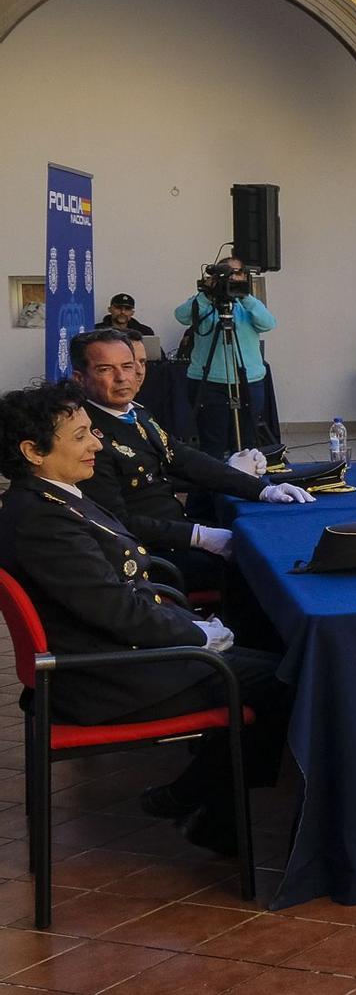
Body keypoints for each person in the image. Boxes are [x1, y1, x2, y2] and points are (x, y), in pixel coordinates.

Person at [0, 380, 293, 855]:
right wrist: (197, 633)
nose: (96, 443)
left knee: (270, 657)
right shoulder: (42, 521)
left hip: (116, 651)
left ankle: (204, 801)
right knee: (286, 675)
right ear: (33, 450)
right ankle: (201, 801)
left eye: (92, 432)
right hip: (105, 677)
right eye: (80, 436)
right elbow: (117, 610)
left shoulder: (53, 496)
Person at [68, 329, 312, 622]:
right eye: (106, 369)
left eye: (129, 366)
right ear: (80, 379)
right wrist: (199, 536)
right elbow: (117, 522)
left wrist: (261, 489)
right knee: (267, 564)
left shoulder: (135, 413)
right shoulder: (86, 437)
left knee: (269, 534)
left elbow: (184, 459)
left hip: (173, 531)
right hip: (149, 554)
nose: (123, 378)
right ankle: (258, 652)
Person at [173, 257, 275, 457]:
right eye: (226, 273)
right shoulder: (203, 302)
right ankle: (214, 482)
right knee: (213, 442)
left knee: (247, 441)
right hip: (209, 382)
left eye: (236, 273)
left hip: (248, 380)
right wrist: (206, 295)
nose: (231, 278)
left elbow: (268, 323)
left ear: (244, 276)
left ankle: (246, 483)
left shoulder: (248, 304)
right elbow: (181, 316)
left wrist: (244, 295)